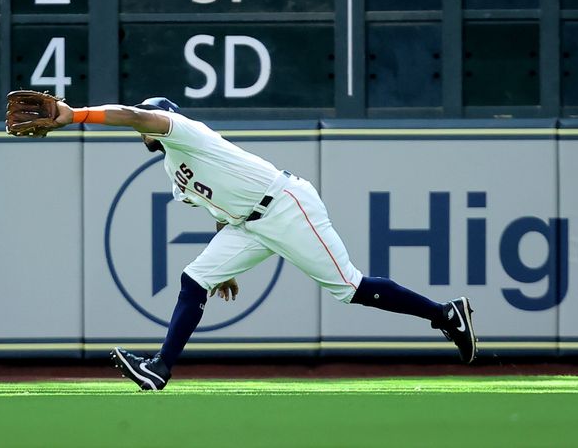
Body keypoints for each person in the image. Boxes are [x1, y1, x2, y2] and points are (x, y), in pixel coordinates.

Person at [46, 96, 477, 391]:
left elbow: (133, 115)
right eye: (145, 123)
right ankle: (160, 368)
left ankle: (444, 314)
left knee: (349, 288)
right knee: (195, 277)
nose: (144, 126)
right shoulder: (173, 170)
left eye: (149, 119)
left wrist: (76, 115)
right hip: (247, 223)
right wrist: (228, 268)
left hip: (285, 206)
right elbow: (219, 212)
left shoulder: (186, 131)